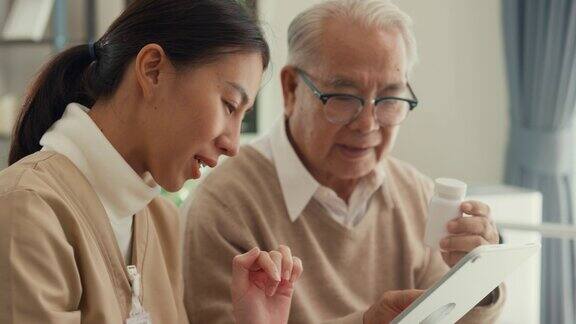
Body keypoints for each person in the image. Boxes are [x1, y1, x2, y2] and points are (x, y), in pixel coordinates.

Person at [183, 0, 504, 323]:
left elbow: (450, 317)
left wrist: (480, 274)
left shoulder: (416, 194)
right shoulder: (225, 207)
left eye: (389, 98)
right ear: (291, 89)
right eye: (343, 97)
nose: (367, 124)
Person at [0, 0, 303, 323]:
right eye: (229, 105)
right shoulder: (27, 210)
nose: (233, 145)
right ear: (152, 69)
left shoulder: (161, 221)